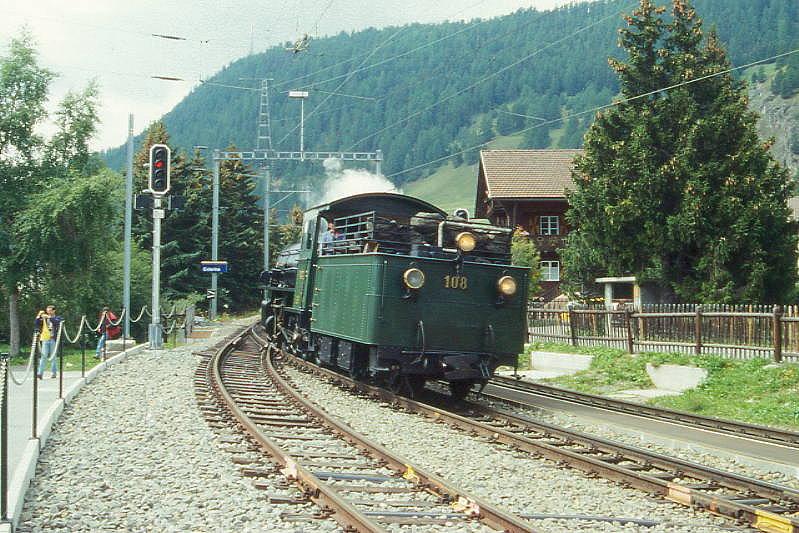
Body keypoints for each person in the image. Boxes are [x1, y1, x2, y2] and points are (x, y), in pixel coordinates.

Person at [35, 305, 63, 379]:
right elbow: (37, 323)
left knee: (53, 356)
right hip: (45, 339)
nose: (49, 312)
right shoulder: (44, 319)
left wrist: (49, 317)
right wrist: (39, 315)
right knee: (43, 356)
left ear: (54, 311)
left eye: (50, 311)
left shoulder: (58, 318)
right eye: (47, 311)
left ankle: (54, 373)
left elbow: (56, 322)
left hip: (53, 339)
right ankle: (40, 373)